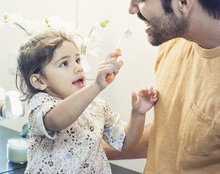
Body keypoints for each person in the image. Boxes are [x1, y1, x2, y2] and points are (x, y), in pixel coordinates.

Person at [105, 0, 220, 173]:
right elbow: (170, 135)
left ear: (183, 2)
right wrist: (74, 145)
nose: (132, 9)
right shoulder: (174, 43)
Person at [16, 30, 158, 173]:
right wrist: (96, 85)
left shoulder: (97, 106)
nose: (78, 68)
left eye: (77, 60)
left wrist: (138, 114)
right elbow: (57, 121)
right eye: (64, 64)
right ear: (39, 81)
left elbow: (127, 143)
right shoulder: (41, 104)